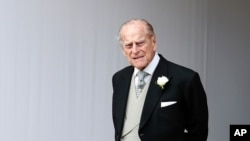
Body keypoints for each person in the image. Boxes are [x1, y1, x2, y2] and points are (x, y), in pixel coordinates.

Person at [112, 19, 208, 141]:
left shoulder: (186, 79)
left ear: (153, 42)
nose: (135, 51)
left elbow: (198, 133)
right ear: (123, 50)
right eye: (129, 45)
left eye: (140, 43)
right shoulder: (119, 79)